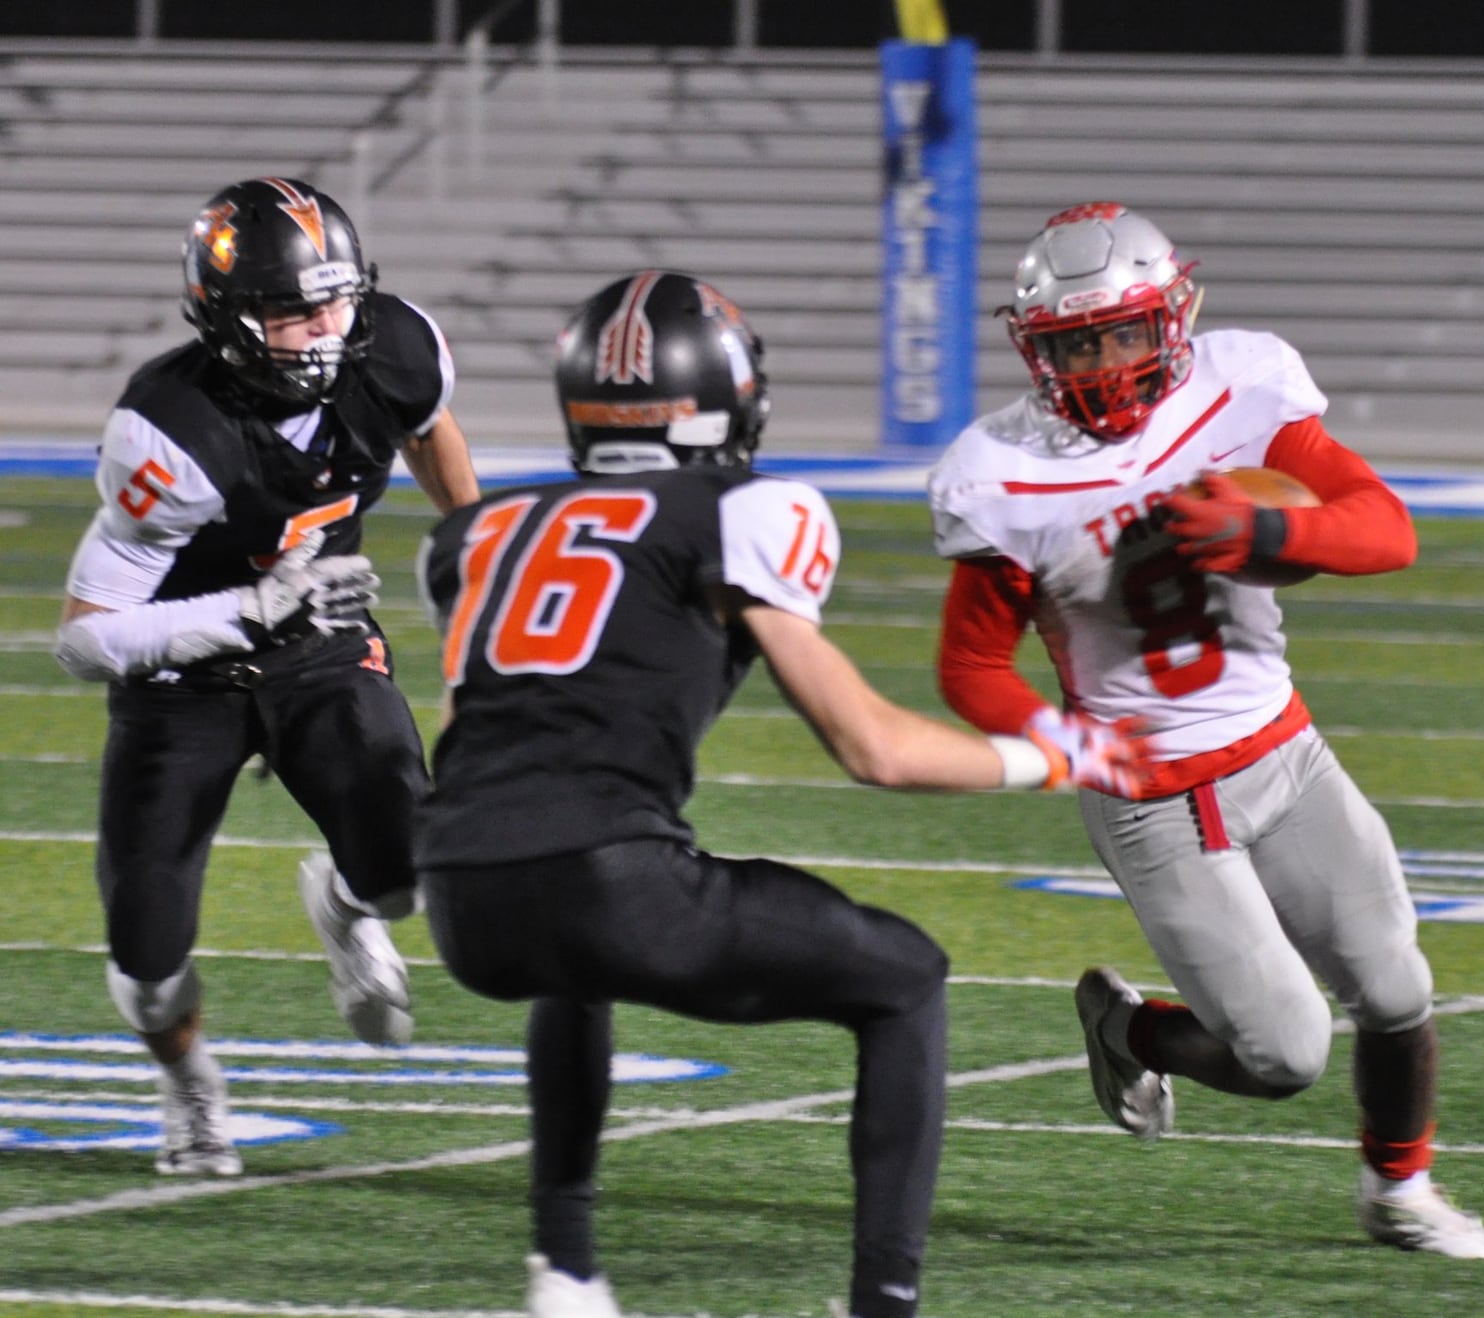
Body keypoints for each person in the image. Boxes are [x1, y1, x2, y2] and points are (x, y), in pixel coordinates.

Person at [412, 269, 1148, 1318]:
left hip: (464, 901)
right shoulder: (748, 509)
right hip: (613, 881)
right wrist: (1050, 754)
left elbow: (463, 741)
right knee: (904, 978)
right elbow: (871, 748)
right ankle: (881, 1304)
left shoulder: (480, 529)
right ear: (727, 394)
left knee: (570, 970)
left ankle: (564, 1269)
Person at [926, 202, 1484, 1260]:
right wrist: (1072, 746)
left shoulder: (1240, 391)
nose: (1101, 361)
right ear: (1035, 347)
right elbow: (969, 666)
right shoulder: (1002, 469)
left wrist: (1264, 528)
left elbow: (1386, 528)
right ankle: (1130, 1029)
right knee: (1283, 1054)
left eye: (1121, 332)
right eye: (1074, 342)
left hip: (1281, 747)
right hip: (1153, 795)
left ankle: (1398, 1191)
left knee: (1395, 985)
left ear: (1172, 317)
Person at [53, 176, 481, 1177]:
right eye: (290, 312)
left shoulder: (397, 347)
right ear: (226, 317)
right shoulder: (172, 428)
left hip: (318, 640)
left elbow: (426, 426)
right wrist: (246, 612)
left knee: (407, 870)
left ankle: (343, 897)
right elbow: (84, 636)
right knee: (147, 952)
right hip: (181, 673)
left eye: (334, 301)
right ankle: (191, 1084)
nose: (323, 329)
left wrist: (473, 559)